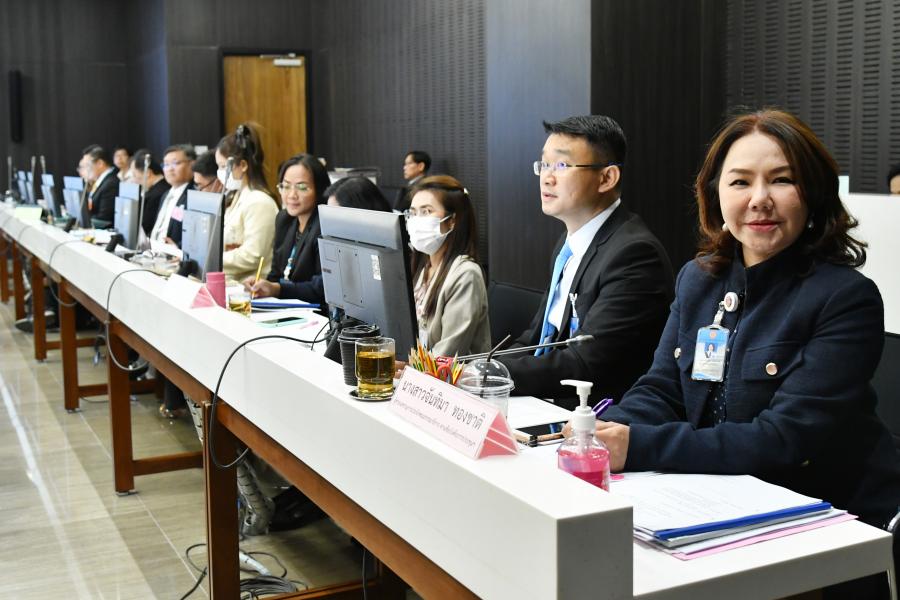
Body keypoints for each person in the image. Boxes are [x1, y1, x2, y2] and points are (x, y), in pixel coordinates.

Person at [597, 109, 900, 597]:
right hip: (720, 506)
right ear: (715, 194)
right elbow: (662, 387)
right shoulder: (698, 279)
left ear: (814, 193)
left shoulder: (846, 297)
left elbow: (783, 440)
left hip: (831, 531)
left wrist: (636, 446)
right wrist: (602, 434)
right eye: (740, 181)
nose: (759, 199)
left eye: (782, 180)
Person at [496, 115, 674, 409]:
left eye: (562, 166)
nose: (547, 177)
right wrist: (480, 368)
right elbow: (537, 338)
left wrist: (494, 376)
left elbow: (585, 363)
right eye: (544, 164)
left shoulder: (635, 255)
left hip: (598, 418)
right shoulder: (568, 245)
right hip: (546, 402)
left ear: (607, 178)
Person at [246, 175, 392, 303]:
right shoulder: (339, 242)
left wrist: (278, 289)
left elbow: (322, 288)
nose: (332, 223)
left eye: (336, 216)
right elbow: (325, 282)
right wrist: (275, 288)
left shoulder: (385, 253)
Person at [406, 175, 490, 356]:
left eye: (426, 211)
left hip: (450, 373)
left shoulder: (466, 274)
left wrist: (405, 365)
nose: (416, 220)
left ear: (452, 220)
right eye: (413, 213)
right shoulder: (423, 267)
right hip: (417, 368)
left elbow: (448, 355)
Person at [243, 154, 329, 301]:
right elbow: (276, 274)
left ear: (319, 189)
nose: (291, 195)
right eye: (286, 186)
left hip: (314, 311)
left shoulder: (324, 227)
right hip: (284, 307)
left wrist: (278, 289)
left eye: (302, 187)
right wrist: (262, 286)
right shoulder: (284, 219)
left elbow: (322, 288)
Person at [216, 123, 279, 282]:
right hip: (232, 281)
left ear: (243, 165)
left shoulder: (259, 202)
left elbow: (253, 255)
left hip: (249, 286)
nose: (220, 172)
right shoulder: (236, 196)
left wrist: (213, 259)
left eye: (223, 166)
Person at [148, 144, 196, 248]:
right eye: (166, 164)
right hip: (153, 251)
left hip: (174, 254)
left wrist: (178, 247)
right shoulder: (165, 194)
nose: (169, 169)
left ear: (192, 165)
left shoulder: (194, 196)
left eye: (175, 163)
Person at [129, 149, 170, 237]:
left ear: (147, 172)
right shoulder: (156, 189)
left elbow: (145, 226)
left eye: (134, 175)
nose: (133, 180)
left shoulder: (158, 194)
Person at [81, 145, 119, 228]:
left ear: (100, 163)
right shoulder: (101, 181)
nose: (85, 169)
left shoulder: (111, 183)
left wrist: (82, 220)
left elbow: (104, 218)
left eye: (87, 165)